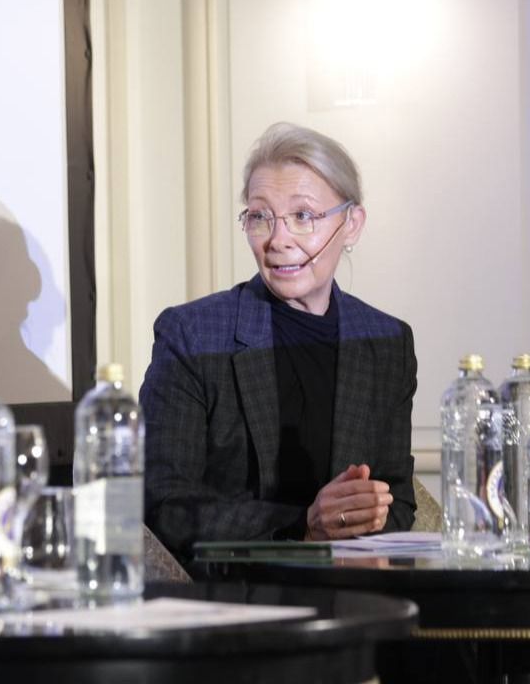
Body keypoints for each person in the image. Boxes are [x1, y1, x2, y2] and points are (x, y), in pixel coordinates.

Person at [142, 122, 416, 563]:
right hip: (236, 603)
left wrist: (358, 521)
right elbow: (166, 506)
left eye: (303, 216)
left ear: (351, 224)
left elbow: (398, 501)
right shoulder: (191, 335)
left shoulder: (387, 342)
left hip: (356, 598)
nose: (277, 240)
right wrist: (304, 527)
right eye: (259, 217)